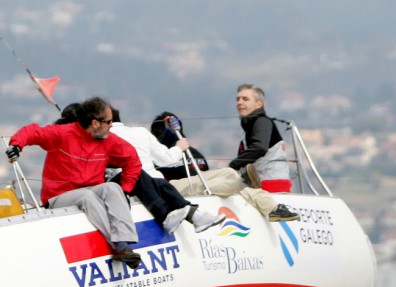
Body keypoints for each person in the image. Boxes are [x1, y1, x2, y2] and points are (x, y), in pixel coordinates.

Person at [6, 97, 143, 268]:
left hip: (91, 189)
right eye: (109, 122)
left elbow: (132, 159)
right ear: (95, 123)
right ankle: (120, 247)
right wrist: (16, 145)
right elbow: (33, 132)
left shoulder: (108, 140)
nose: (111, 125)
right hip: (58, 196)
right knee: (86, 196)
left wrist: (126, 190)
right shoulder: (63, 133)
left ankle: (125, 240)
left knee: (113, 188)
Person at [148, 110, 300, 223]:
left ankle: (270, 205)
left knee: (228, 173)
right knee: (232, 181)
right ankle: (247, 184)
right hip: (173, 189)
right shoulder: (192, 153)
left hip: (195, 186)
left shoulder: (165, 154)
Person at [107, 108, 225, 234]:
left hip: (138, 183)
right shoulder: (140, 132)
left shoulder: (104, 138)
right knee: (154, 178)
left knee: (153, 179)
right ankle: (176, 216)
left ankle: (193, 215)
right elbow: (166, 159)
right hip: (143, 182)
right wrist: (179, 148)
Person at [229, 84, 298, 222]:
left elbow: (259, 148)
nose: (239, 102)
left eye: (245, 99)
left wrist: (232, 166)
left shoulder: (261, 122)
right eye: (238, 99)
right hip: (267, 186)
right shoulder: (253, 124)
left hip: (269, 187)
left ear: (259, 104)